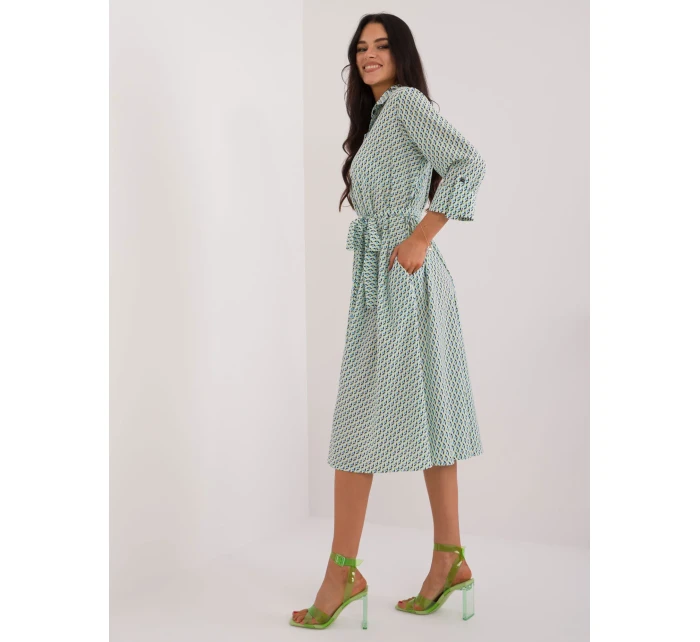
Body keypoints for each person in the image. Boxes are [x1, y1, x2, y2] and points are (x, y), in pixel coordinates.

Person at [290, 12, 486, 629]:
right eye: (360, 47)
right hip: (383, 280)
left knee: (360, 421)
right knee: (431, 415)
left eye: (381, 45)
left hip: (406, 279)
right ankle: (450, 558)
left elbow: (468, 162)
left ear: (401, 54)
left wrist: (421, 237)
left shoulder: (403, 104)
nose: (369, 54)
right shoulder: (377, 117)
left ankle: (342, 572)